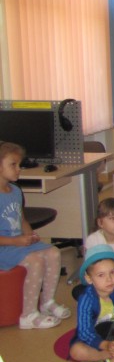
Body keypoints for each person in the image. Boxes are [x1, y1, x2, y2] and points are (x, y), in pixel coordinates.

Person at [0, 141, 69, 329]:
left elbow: (21, 218)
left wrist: (30, 234)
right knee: (35, 260)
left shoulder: (15, 191)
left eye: (19, 164)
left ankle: (47, 302)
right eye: (13, 164)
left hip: (17, 243)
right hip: (4, 247)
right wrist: (16, 241)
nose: (18, 169)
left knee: (53, 252)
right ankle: (28, 315)